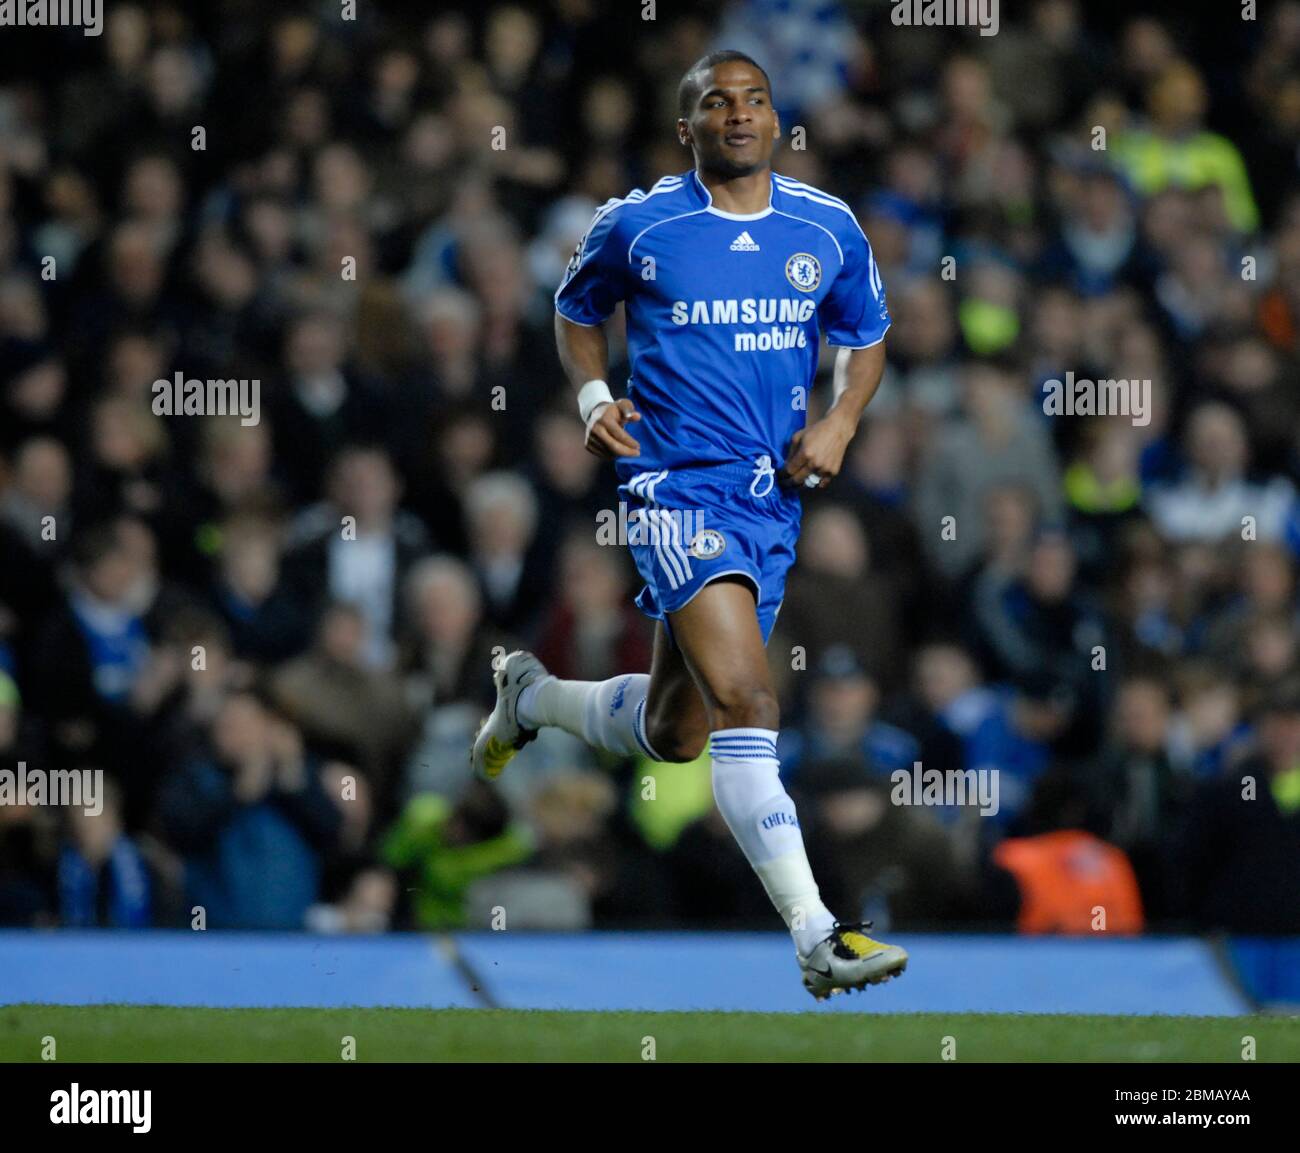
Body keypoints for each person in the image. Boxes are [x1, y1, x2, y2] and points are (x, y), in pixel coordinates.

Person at [471, 51, 903, 999]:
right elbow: (574, 310)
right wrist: (592, 397)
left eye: (755, 101)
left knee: (677, 732)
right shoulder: (639, 222)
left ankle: (531, 698)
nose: (739, 115)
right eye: (718, 103)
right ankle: (818, 934)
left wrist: (838, 419)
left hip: (771, 499)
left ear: (777, 121)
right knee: (751, 702)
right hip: (670, 487)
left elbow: (866, 335)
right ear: (688, 128)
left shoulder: (825, 227)